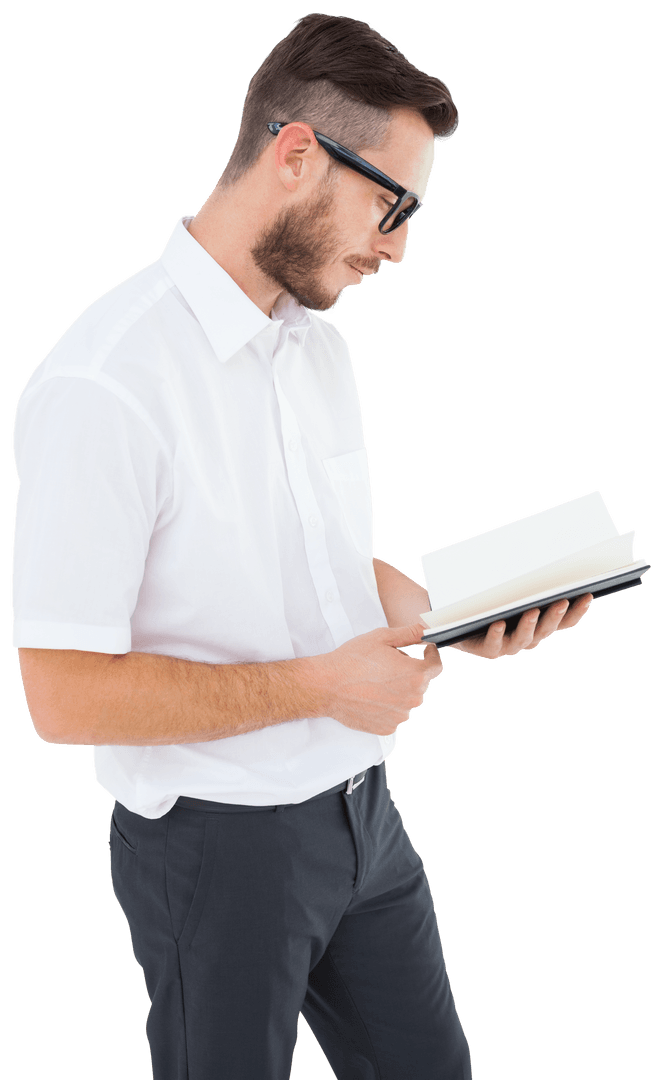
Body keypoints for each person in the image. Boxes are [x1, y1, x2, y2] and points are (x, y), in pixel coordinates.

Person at [12, 14, 592, 1080]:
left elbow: (317, 558)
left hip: (366, 816)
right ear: (295, 155)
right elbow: (60, 695)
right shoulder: (105, 384)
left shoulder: (317, 351)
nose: (397, 247)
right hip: (215, 847)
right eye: (390, 205)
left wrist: (446, 616)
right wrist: (324, 686)